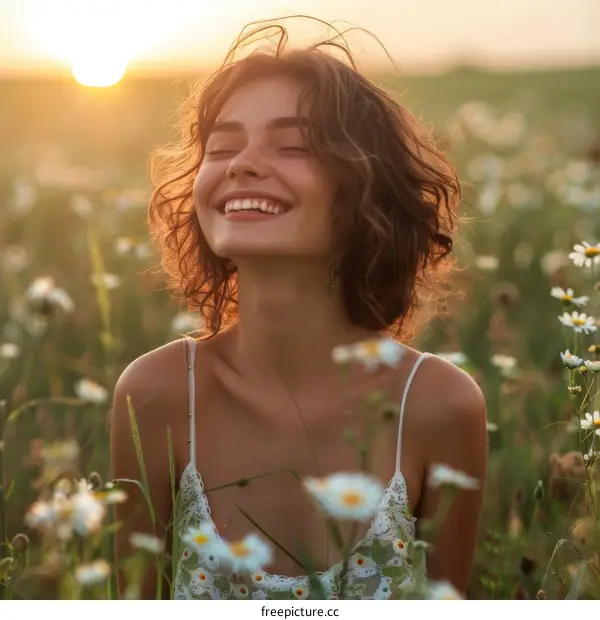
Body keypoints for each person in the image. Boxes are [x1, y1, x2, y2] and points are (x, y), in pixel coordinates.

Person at [110, 18, 488, 601]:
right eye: (222, 147)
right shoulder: (156, 394)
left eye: (293, 145)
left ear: (367, 188)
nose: (242, 164)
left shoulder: (439, 405)